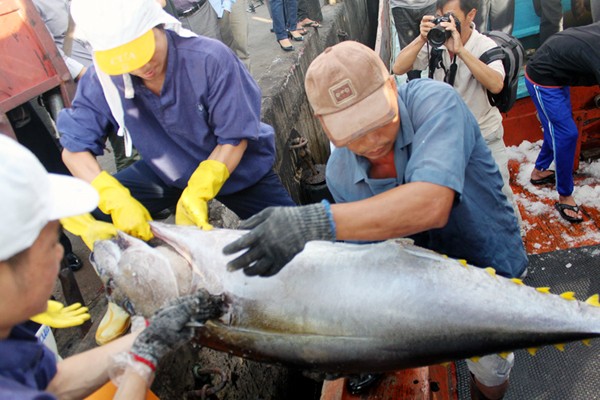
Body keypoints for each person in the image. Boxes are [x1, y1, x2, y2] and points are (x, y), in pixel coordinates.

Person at [223, 41, 528, 399]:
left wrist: (314, 222)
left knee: (491, 369)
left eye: (378, 121)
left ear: (391, 85)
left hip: (486, 263)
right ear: (324, 123)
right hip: (422, 283)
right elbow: (371, 263)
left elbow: (432, 202)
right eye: (353, 132)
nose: (370, 142)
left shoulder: (435, 101)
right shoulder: (339, 172)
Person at [0, 134, 223, 399]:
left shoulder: (10, 333)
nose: (60, 252)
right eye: (50, 245)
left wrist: (149, 337)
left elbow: (52, 381)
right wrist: (144, 361)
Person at [392, 0, 522, 225]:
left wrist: (461, 51)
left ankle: (515, 234)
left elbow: (496, 84)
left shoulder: (485, 46)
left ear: (471, 15)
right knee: (454, 194)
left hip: (484, 135)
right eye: (441, 16)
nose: (446, 23)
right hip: (448, 136)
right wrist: (421, 38)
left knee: (500, 192)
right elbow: (398, 67)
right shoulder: (436, 42)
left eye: (452, 17)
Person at [525, 22, 600, 223]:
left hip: (560, 69)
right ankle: (565, 195)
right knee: (566, 134)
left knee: (557, 128)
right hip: (543, 77)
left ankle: (539, 171)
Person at [390, 0, 437, 80]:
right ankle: (414, 84)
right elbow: (398, 68)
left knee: (436, 44)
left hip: (431, 3)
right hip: (401, 5)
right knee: (409, 51)